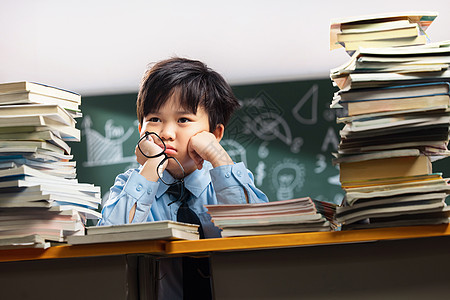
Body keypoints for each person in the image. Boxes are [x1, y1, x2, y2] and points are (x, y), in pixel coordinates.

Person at [97, 57, 268, 299]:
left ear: (215, 133)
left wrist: (218, 157)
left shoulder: (229, 182)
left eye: (183, 120)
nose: (166, 133)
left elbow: (264, 238)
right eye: (154, 120)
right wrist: (152, 165)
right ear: (141, 130)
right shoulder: (129, 185)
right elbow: (108, 248)